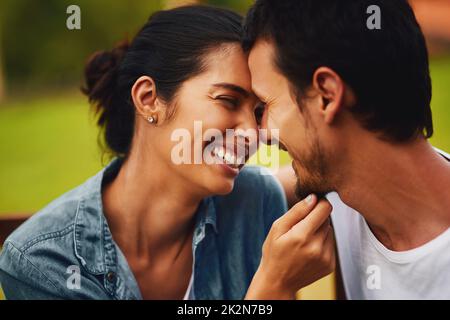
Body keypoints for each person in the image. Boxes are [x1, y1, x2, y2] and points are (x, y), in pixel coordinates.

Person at [0, 5, 334, 300]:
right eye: (228, 100)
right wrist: (271, 288)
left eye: (259, 111)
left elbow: (329, 165)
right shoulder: (43, 260)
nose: (253, 133)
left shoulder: (254, 200)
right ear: (149, 99)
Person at [244, 0, 450, 299]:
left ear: (327, 95)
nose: (261, 134)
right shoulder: (341, 188)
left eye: (265, 106)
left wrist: (273, 288)